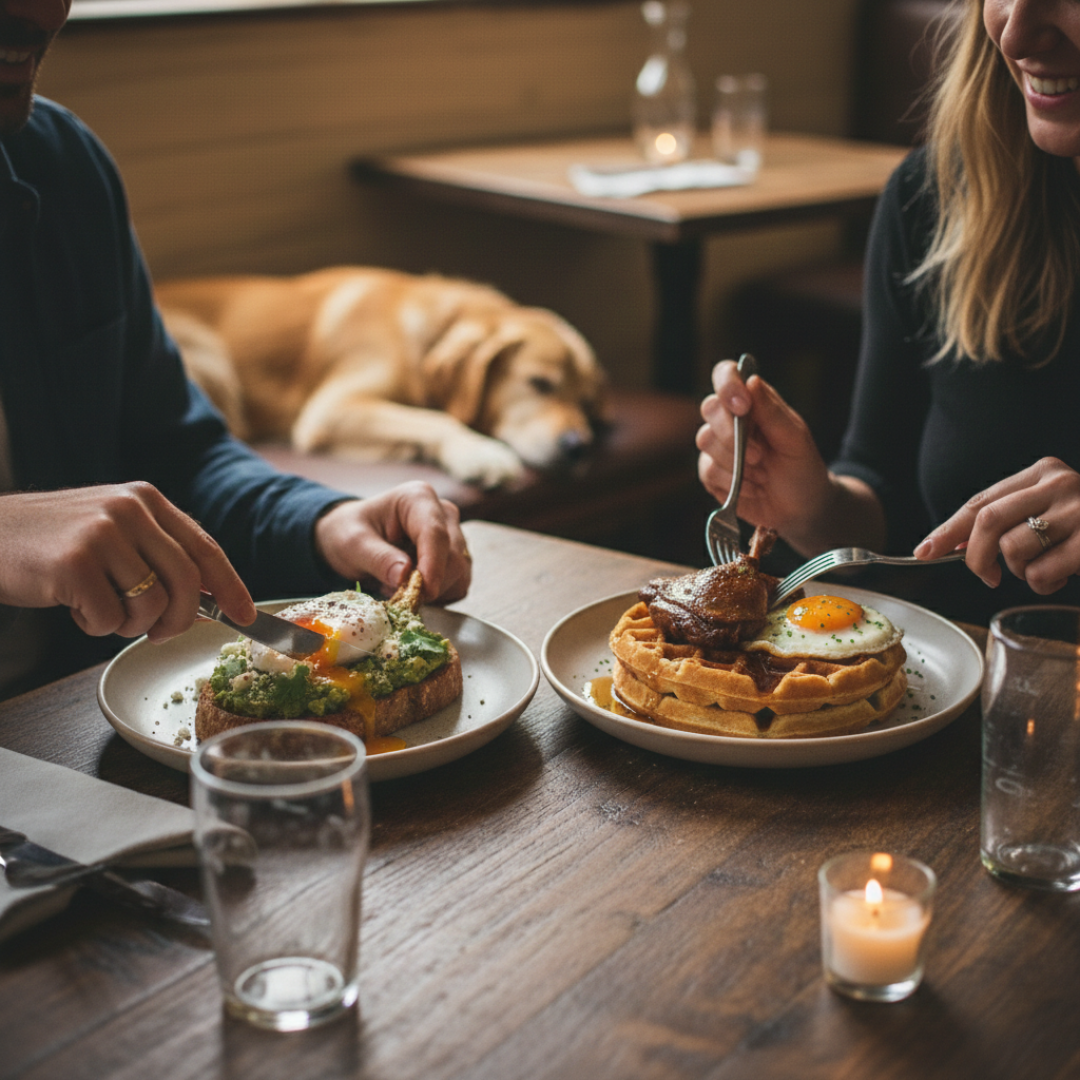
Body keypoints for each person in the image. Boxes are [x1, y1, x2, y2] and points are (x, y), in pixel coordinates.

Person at [0, 0, 471, 696]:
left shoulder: (65, 169)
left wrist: (321, 523)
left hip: (67, 727)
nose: (40, 11)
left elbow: (181, 460)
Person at [697, 0, 1080, 625]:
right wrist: (812, 507)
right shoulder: (936, 195)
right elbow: (889, 495)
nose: (1015, 32)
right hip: (955, 695)